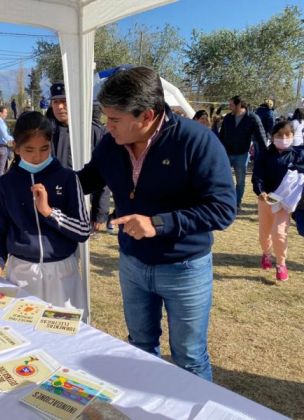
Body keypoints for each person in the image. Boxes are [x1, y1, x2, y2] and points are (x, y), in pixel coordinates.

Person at [78, 66, 236, 381]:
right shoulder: (111, 144)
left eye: (114, 120)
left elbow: (223, 209)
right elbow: (88, 177)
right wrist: (43, 180)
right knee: (139, 347)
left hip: (184, 268)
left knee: (189, 358)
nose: (107, 127)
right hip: (133, 265)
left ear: (147, 116)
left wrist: (158, 224)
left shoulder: (197, 142)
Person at [0, 111, 91, 309]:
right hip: (21, 271)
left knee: (66, 335)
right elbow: (1, 230)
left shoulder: (68, 178)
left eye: (44, 149)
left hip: (62, 273)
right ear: (16, 148)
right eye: (29, 150)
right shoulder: (6, 184)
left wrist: (49, 212)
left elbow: (83, 231)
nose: (37, 156)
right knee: (25, 332)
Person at [47, 82, 111, 232]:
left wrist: (99, 212)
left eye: (64, 101)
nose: (59, 107)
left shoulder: (93, 132)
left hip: (80, 202)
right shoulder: (45, 131)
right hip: (50, 203)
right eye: (56, 102)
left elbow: (103, 175)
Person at [252, 121, 304, 281]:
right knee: (264, 233)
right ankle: (267, 254)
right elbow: (257, 176)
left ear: (293, 136)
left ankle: (281, 264)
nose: (283, 138)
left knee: (279, 233)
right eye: (279, 135)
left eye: (287, 135)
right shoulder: (264, 155)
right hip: (266, 199)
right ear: (272, 136)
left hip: (284, 202)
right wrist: (260, 191)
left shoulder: (298, 155)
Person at [219, 95, 268, 212]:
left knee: (240, 182)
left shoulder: (252, 118)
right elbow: (222, 136)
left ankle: (237, 203)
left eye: (231, 105)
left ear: (239, 105)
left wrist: (266, 154)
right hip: (226, 153)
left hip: (242, 154)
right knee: (223, 179)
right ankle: (224, 202)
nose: (229, 107)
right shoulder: (228, 118)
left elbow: (261, 136)